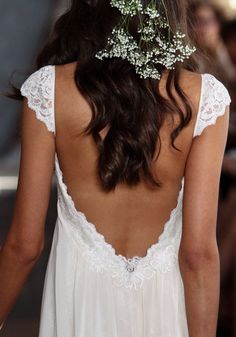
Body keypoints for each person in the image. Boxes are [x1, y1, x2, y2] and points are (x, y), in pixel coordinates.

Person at [0, 0, 231, 336]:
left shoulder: (47, 90)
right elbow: (198, 254)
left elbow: (23, 245)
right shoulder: (204, 97)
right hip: (165, 308)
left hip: (79, 300)